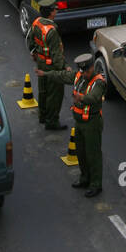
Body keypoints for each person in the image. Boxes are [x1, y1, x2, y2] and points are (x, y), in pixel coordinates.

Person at [43, 53, 106, 197]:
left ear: (92, 68)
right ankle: (85, 178)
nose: (84, 74)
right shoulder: (79, 76)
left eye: (87, 71)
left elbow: (94, 97)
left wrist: (81, 97)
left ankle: (96, 184)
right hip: (79, 123)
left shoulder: (99, 82)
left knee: (93, 154)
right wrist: (46, 73)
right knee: (81, 153)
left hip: (92, 123)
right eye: (82, 71)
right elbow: (63, 76)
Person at [26, 0, 67, 131]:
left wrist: (34, 53)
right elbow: (56, 55)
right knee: (54, 95)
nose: (56, 12)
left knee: (43, 91)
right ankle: (52, 121)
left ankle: (42, 116)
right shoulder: (52, 31)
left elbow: (29, 40)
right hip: (51, 66)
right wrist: (63, 69)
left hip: (41, 62)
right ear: (50, 12)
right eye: (55, 10)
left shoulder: (37, 22)